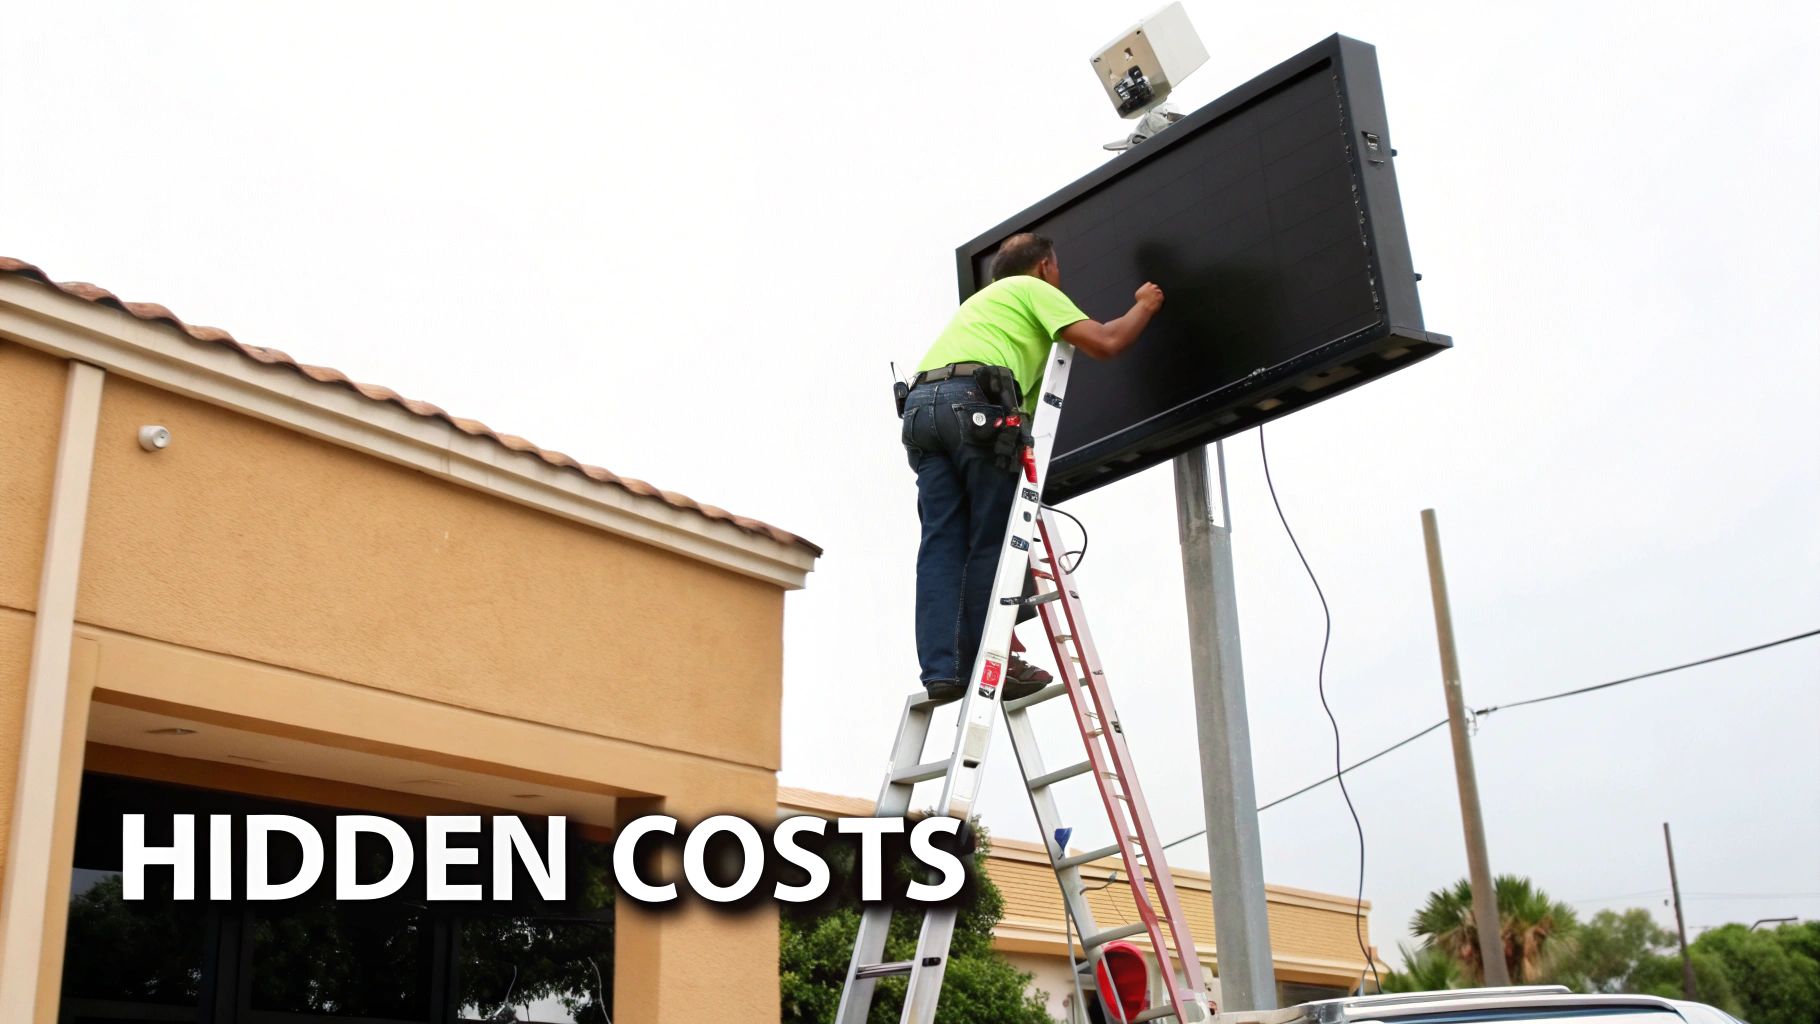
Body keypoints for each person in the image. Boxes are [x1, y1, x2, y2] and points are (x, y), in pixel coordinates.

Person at [903, 232, 1164, 703]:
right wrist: (1145, 304)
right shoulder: (1035, 290)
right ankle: (992, 662)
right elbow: (1106, 341)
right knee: (996, 540)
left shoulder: (983, 308)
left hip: (920, 410)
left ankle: (944, 669)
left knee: (942, 544)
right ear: (1045, 266)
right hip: (971, 406)